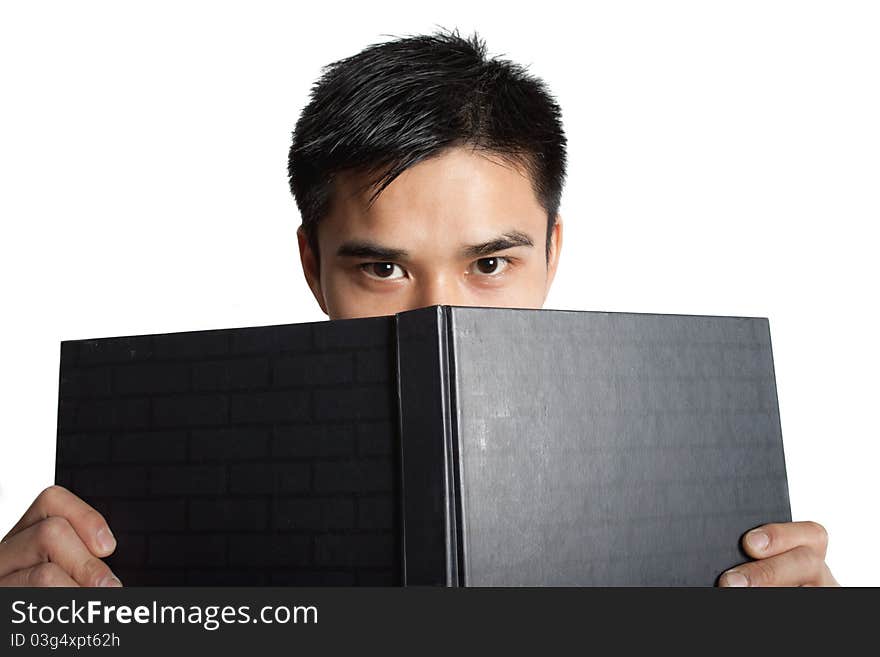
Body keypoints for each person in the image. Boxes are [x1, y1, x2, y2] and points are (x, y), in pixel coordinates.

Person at [0, 29, 838, 587]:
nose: (440, 316)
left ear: (553, 252)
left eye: (490, 262)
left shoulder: (689, 484)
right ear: (311, 265)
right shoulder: (155, 497)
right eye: (384, 268)